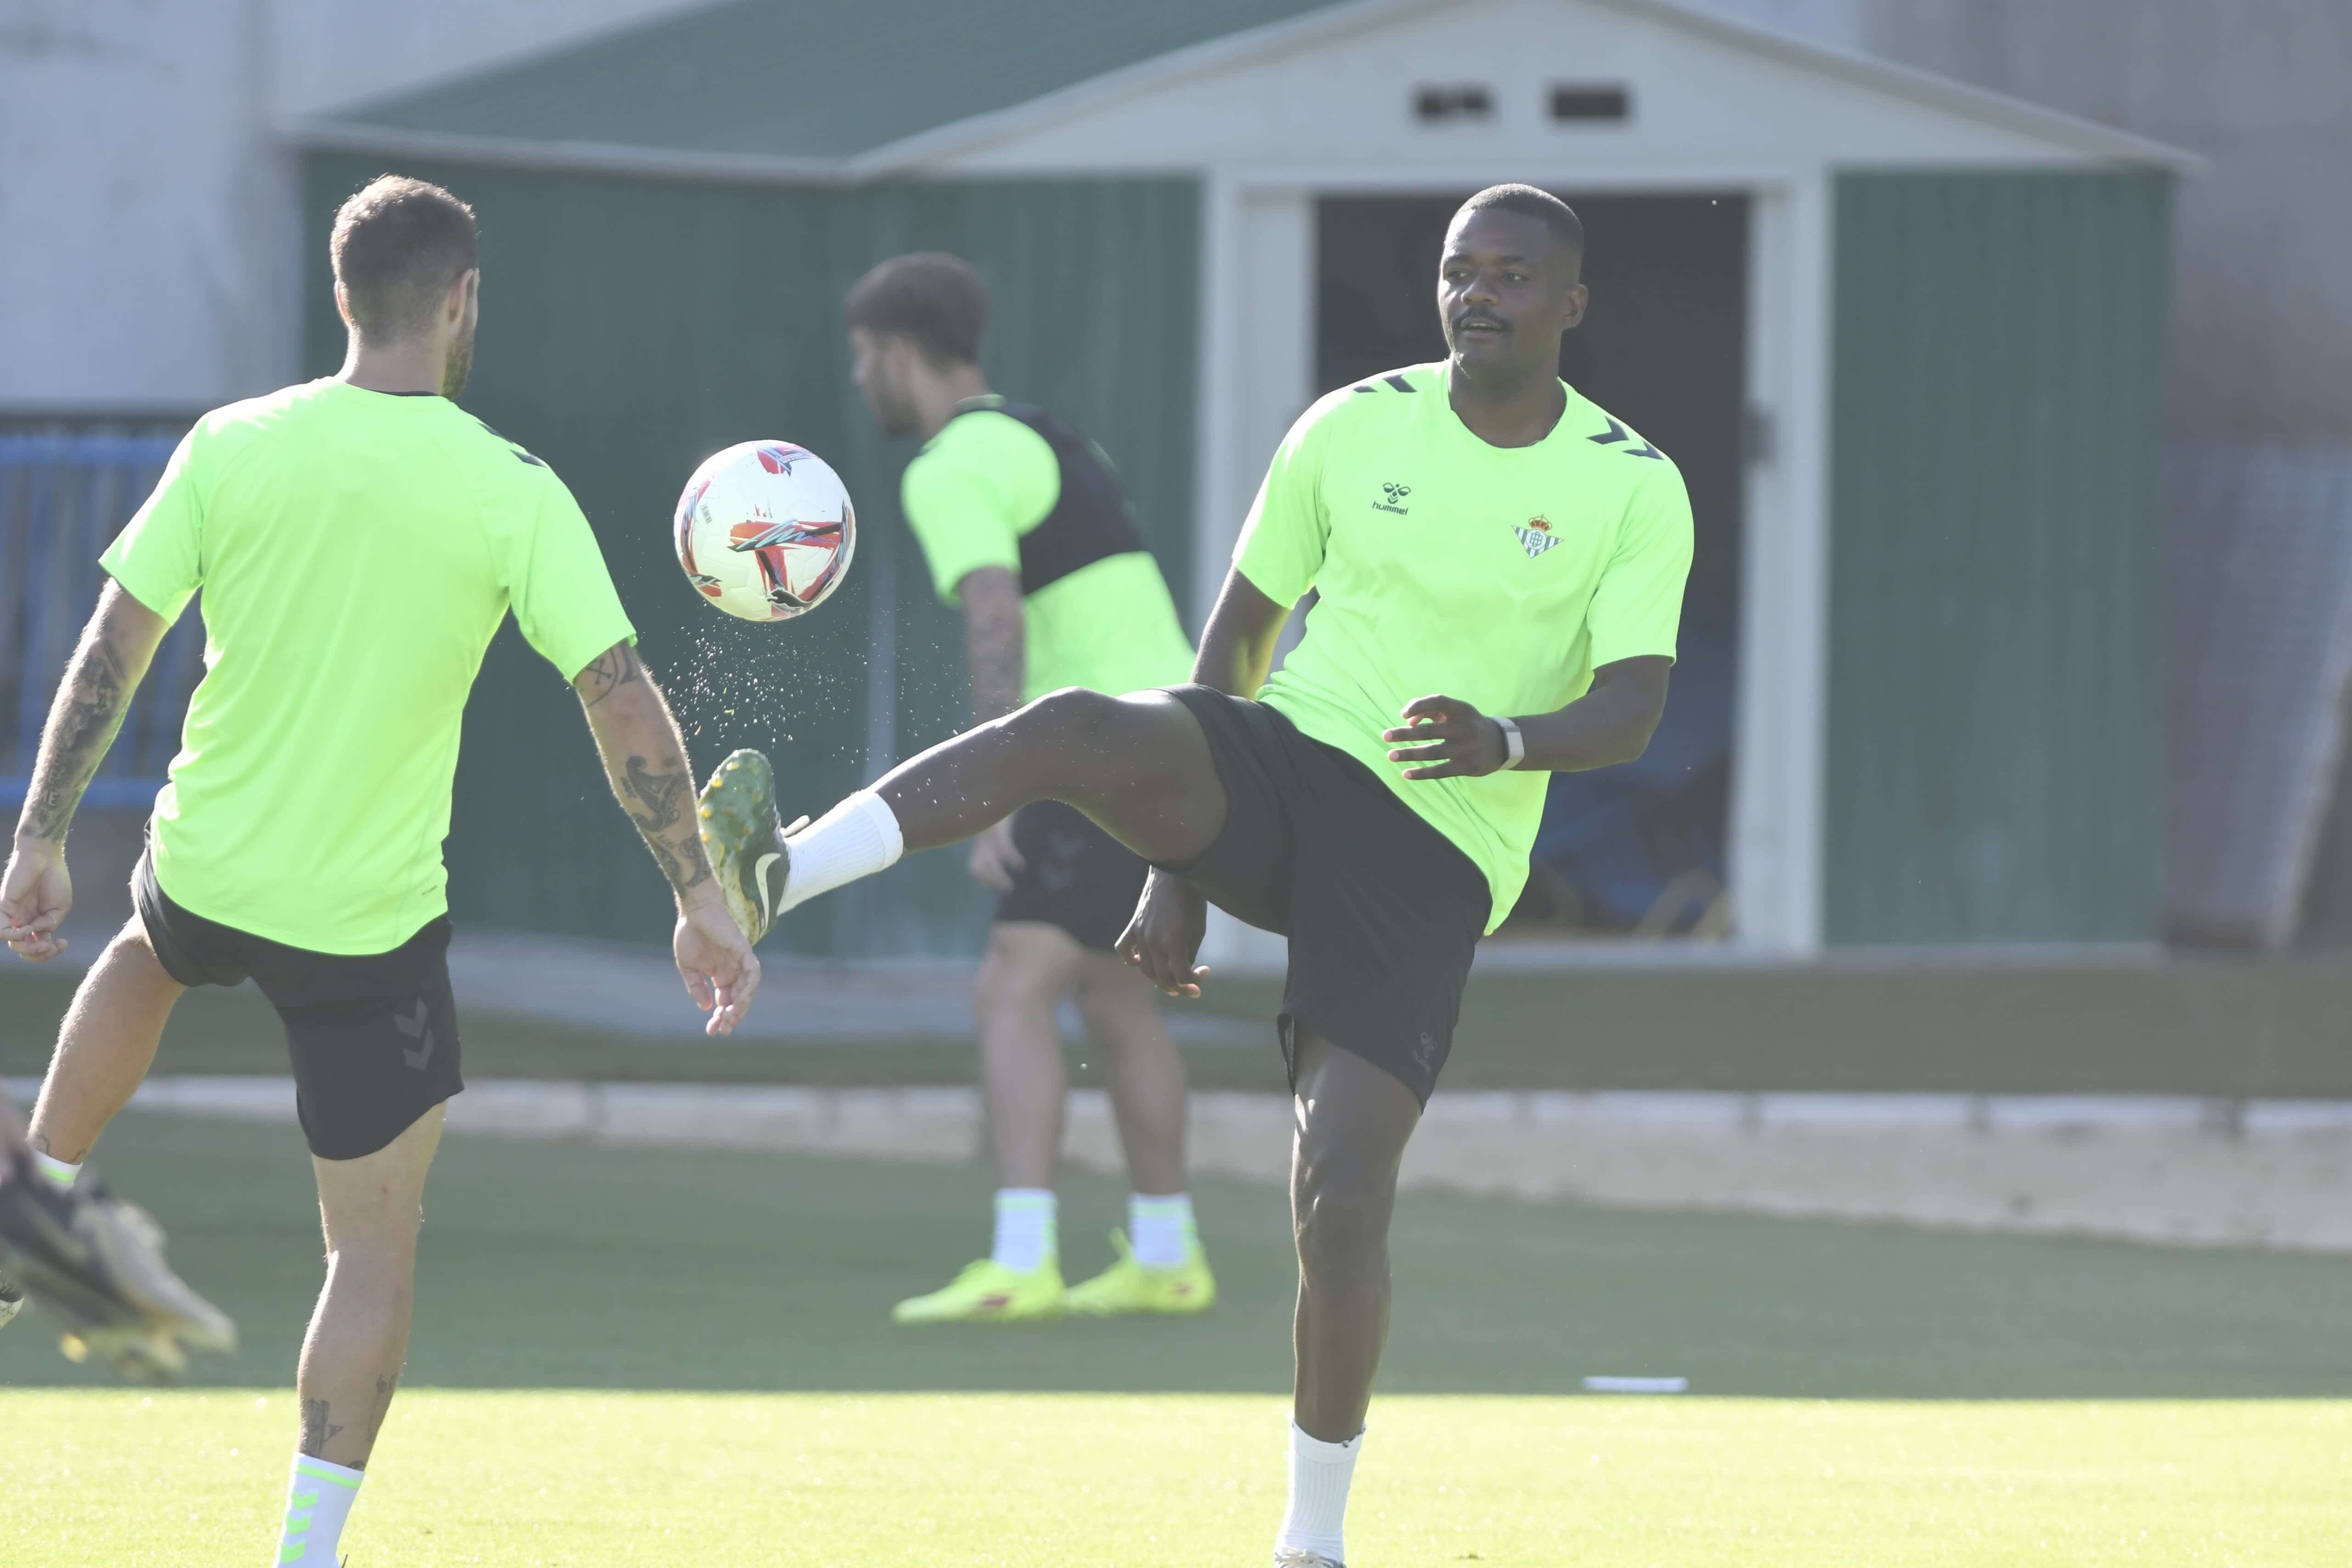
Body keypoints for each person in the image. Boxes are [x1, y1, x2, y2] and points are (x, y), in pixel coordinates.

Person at [701, 185, 1690, 1567]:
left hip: (1441, 842)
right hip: (1293, 752)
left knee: (1339, 1187)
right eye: (1463, 271)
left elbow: (1634, 705)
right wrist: (1180, 861)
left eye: (1515, 277)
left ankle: (1311, 1537)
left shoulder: (1634, 483)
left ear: (1571, 305)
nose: (1481, 295)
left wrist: (1508, 739)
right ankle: (779, 872)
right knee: (1076, 727)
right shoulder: (1349, 426)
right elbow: (1235, 636)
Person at [0, 174, 757, 1566]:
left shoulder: (232, 442)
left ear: (341, 296)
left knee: (146, 951)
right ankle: (307, 1551)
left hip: (211, 861)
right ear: (462, 300)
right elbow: (623, 695)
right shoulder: (511, 487)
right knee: (369, 1249)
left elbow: (114, 644)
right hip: (366, 925)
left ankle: (35, 1186)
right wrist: (697, 893)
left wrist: (40, 832)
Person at [833, 252, 1214, 1323]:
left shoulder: (950, 464)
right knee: (1113, 992)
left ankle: (1021, 1262)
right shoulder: (1048, 433)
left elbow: (995, 615)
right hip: (1175, 736)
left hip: (1092, 748)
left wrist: (989, 793)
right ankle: (1167, 1255)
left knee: (1012, 984)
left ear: (899, 355)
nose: (864, 379)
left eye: (866, 359)